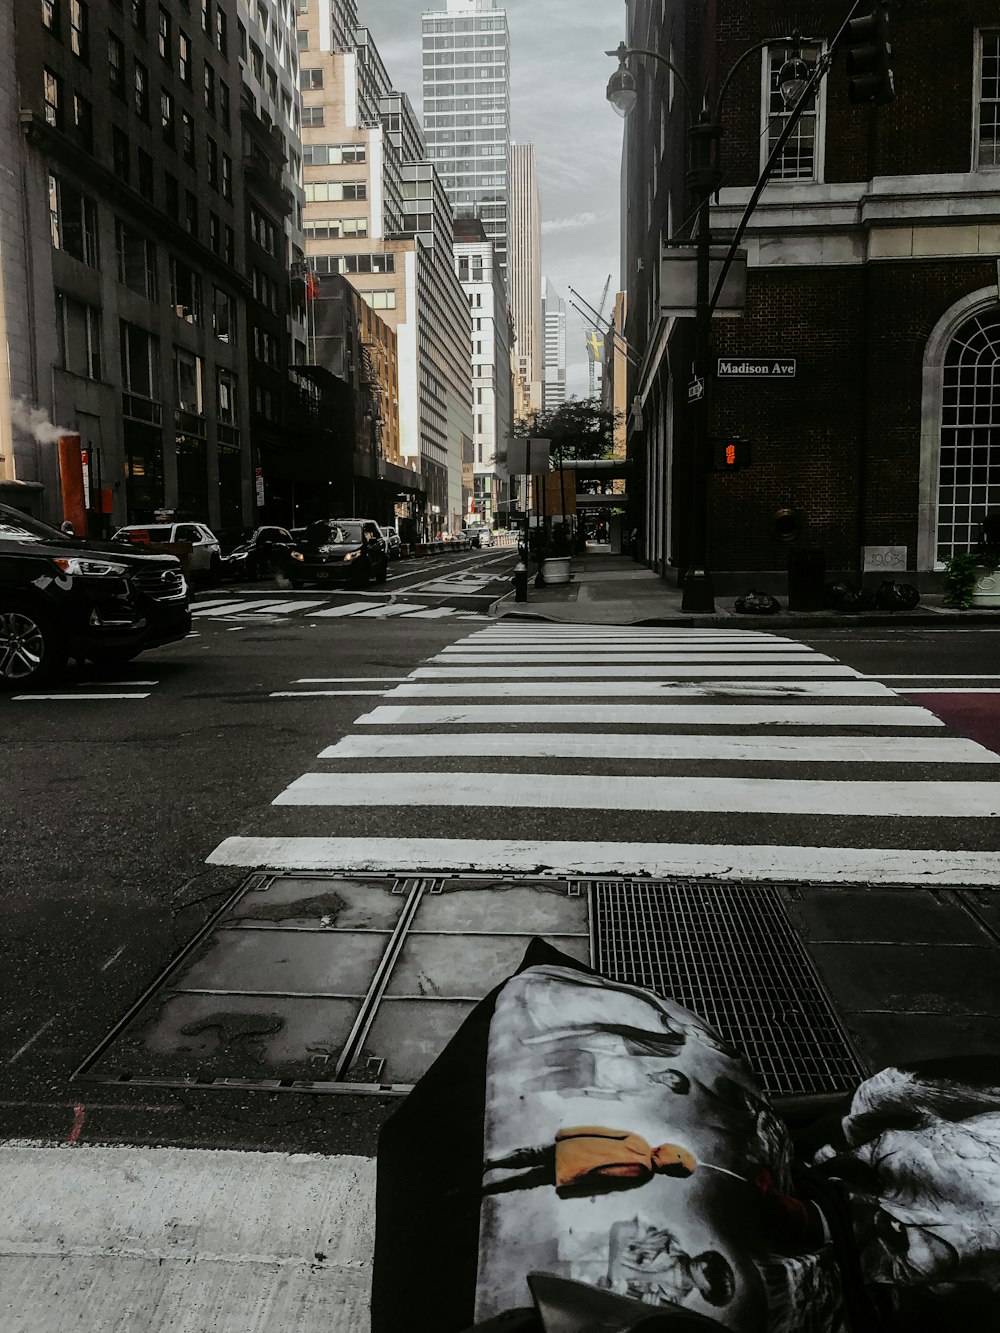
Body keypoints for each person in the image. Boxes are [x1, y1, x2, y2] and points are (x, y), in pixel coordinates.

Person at [483, 1126, 697, 1197]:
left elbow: (598, 1132)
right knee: (527, 1178)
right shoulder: (643, 1173)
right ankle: (487, 1183)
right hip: (572, 1171)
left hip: (571, 1152)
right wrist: (573, 1189)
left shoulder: (640, 1146)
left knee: (529, 1156)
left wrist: (567, 1134)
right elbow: (603, 1180)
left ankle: (491, 1164)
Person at [605, 1217, 736, 1309]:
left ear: (707, 1292)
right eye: (709, 1259)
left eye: (709, 1274)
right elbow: (619, 1229)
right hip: (593, 1253)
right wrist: (613, 1275)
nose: (703, 1264)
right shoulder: (669, 1241)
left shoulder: (671, 1302)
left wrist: (641, 1305)